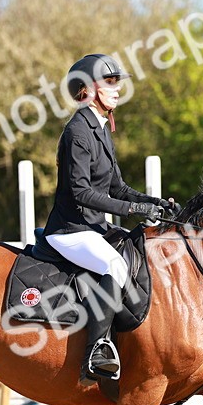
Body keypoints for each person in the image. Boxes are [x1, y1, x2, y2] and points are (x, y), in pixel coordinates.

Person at [42, 53, 176, 387]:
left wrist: (150, 202)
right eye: (111, 82)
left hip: (94, 228)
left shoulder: (100, 129)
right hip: (70, 231)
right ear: (88, 89)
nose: (117, 90)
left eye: (117, 83)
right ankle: (96, 350)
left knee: (140, 253)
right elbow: (81, 194)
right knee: (115, 266)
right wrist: (132, 211)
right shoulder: (77, 132)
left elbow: (116, 186)